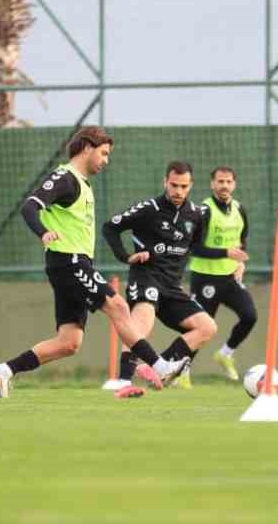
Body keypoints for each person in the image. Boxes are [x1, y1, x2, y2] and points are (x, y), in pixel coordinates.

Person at [0, 126, 183, 399]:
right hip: (69, 262)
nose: (106, 160)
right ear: (87, 147)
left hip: (71, 264)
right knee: (119, 306)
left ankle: (3, 371)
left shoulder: (82, 184)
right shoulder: (66, 178)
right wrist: (43, 232)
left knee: (69, 342)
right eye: (103, 153)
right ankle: (160, 367)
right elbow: (30, 205)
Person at [103, 161, 247, 398]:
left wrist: (236, 261)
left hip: (172, 286)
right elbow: (110, 227)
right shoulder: (149, 209)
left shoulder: (196, 214)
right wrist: (126, 256)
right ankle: (123, 381)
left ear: (191, 186)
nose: (178, 191)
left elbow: (197, 247)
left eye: (183, 186)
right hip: (146, 277)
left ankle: (162, 366)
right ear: (165, 182)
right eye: (173, 185)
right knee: (142, 322)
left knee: (207, 327)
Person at [188, 165, 258, 381]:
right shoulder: (205, 211)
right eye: (220, 181)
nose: (224, 185)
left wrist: (241, 263)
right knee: (202, 329)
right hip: (205, 279)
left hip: (229, 278)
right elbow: (195, 247)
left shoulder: (239, 209)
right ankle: (182, 370)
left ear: (234, 184)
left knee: (249, 316)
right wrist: (226, 252)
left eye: (228, 181)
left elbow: (242, 240)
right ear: (212, 184)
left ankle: (225, 354)